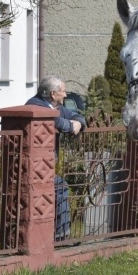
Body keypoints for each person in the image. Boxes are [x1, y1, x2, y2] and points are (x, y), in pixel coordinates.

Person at [26, 76, 87, 241]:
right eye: (63, 91)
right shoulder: (36, 105)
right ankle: (61, 235)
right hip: (33, 165)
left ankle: (61, 233)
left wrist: (79, 124)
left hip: (44, 165)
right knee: (59, 186)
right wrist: (71, 126)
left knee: (58, 187)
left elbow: (77, 116)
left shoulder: (55, 106)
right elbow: (59, 123)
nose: (66, 95)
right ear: (53, 94)